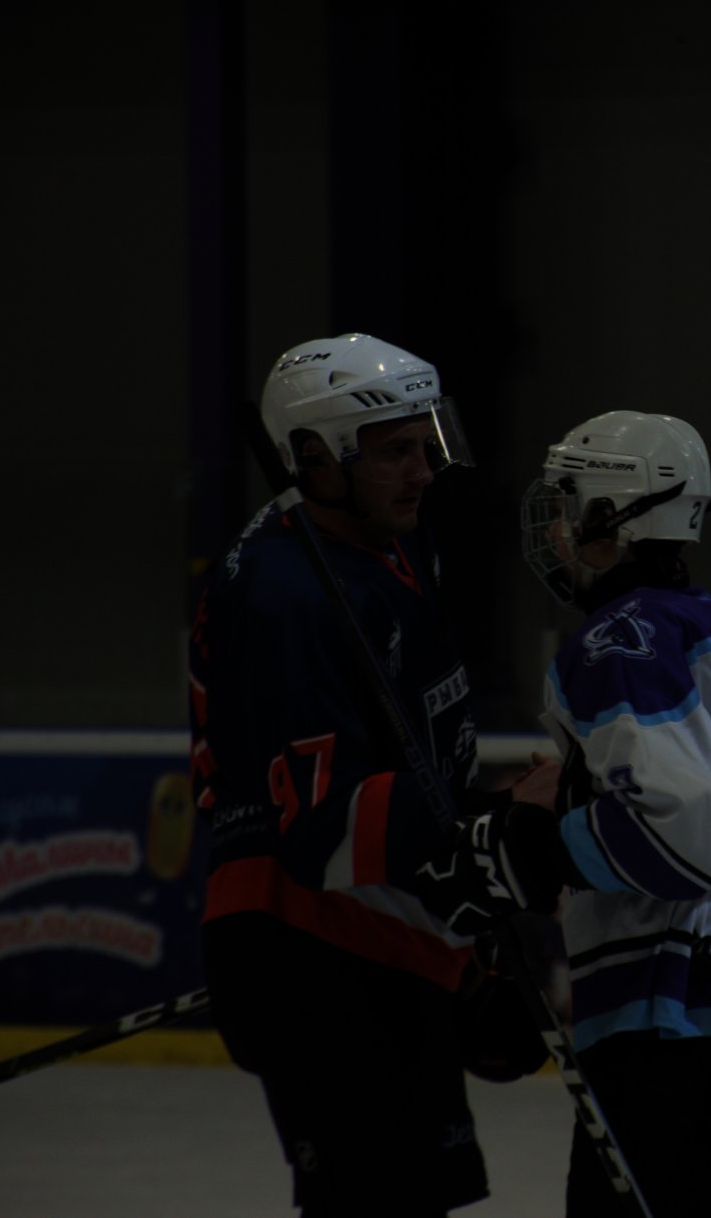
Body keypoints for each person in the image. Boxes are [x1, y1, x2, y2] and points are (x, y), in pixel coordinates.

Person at [190, 333, 566, 1217]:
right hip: (307, 942)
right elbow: (325, 825)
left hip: (382, 925)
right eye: (395, 450)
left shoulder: (388, 544)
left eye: (427, 442)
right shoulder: (285, 596)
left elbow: (406, 765)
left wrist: (466, 925)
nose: (424, 470)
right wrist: (490, 829)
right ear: (315, 459)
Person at [520, 410, 711, 1218]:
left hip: (673, 1017)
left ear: (612, 515)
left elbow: (674, 832)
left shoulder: (618, 637)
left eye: (571, 505)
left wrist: (539, 843)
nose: (558, 528)